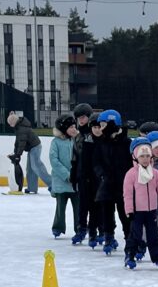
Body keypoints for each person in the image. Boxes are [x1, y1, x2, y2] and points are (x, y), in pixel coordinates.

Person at [92, 108, 133, 256]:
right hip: (107, 184)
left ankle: (130, 239)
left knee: (125, 214)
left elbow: (133, 164)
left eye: (103, 125)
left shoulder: (128, 143)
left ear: (112, 124)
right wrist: (101, 175)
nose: (100, 129)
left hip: (124, 186)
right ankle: (109, 237)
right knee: (107, 213)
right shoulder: (101, 143)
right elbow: (96, 162)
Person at [123, 140, 158, 270]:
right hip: (137, 212)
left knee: (154, 235)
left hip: (151, 210)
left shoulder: (155, 173)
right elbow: (128, 194)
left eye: (148, 156)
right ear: (136, 157)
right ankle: (130, 255)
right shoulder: (131, 174)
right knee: (135, 235)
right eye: (142, 156)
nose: (145, 159)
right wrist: (129, 210)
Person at [48, 114, 80, 238]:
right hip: (61, 181)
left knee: (78, 207)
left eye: (74, 126)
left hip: (76, 181)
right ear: (63, 128)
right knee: (60, 207)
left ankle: (80, 227)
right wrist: (67, 175)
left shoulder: (76, 140)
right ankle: (58, 227)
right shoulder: (55, 142)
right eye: (70, 127)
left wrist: (77, 174)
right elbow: (54, 160)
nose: (73, 129)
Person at [7, 110, 51, 194]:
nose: (10, 125)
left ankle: (52, 185)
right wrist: (15, 153)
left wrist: (18, 155)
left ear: (13, 122)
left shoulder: (21, 129)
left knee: (37, 166)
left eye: (10, 123)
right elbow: (18, 142)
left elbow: (22, 143)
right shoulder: (19, 127)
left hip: (35, 147)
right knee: (30, 168)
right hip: (32, 148)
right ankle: (32, 188)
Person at [70, 102, 96, 245]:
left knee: (95, 205)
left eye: (84, 117)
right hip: (82, 176)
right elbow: (74, 158)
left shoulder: (95, 134)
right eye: (79, 118)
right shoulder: (78, 137)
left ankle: (95, 231)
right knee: (82, 205)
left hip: (95, 176)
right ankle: (81, 229)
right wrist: (73, 176)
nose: (81, 120)